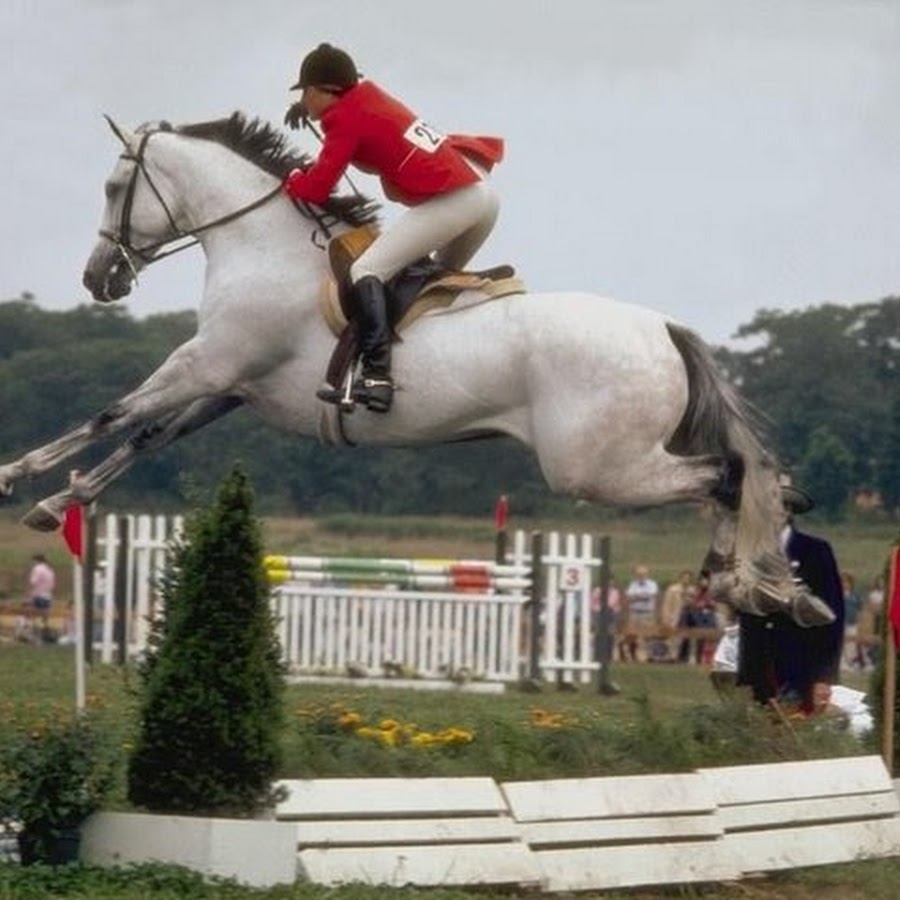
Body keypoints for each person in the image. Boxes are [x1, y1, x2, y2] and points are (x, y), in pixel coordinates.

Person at [282, 43, 504, 413]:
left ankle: (378, 376)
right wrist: (310, 112)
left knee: (366, 269)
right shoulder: (364, 94)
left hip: (455, 201)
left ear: (326, 91)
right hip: (480, 197)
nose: (303, 100)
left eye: (305, 92)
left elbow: (317, 187)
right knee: (428, 283)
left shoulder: (343, 119)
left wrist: (291, 179)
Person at [735, 480, 845, 715]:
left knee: (799, 734)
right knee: (761, 737)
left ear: (787, 511)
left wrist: (824, 676)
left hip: (803, 664)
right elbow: (747, 618)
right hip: (761, 668)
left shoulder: (815, 551)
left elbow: (832, 616)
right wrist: (745, 674)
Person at [623, 565, 659, 661]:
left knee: (648, 635)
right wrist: (642, 596)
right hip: (634, 613)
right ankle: (632, 655)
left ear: (647, 574)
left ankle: (650, 656)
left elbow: (651, 596)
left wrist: (636, 597)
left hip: (647, 614)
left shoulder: (652, 584)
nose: (641, 576)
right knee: (632, 635)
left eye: (643, 574)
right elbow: (629, 598)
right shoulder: (632, 584)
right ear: (635, 575)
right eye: (639, 574)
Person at [26, 553, 56, 634]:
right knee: (45, 616)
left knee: (32, 614)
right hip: (48, 596)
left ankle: (34, 632)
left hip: (38, 595)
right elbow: (52, 585)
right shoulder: (49, 570)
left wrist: (28, 594)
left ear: (36, 561)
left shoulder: (37, 569)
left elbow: (33, 582)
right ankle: (46, 632)